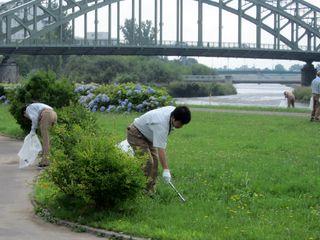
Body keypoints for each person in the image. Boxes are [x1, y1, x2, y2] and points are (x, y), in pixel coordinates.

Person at [126, 105, 191, 193]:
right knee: (147, 162)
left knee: (155, 162)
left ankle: (150, 191)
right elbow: (161, 150)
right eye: (181, 123)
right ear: (174, 119)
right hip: (136, 134)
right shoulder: (161, 125)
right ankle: (140, 190)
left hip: (149, 135)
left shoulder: (174, 111)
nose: (181, 126)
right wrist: (166, 170)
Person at [22, 103, 57, 167]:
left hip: (46, 114)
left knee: (45, 140)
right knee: (50, 139)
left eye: (26, 116)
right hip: (54, 114)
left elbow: (34, 118)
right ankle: (52, 159)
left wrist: (32, 131)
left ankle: (45, 162)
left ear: (24, 112)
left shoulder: (28, 109)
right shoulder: (34, 107)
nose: (27, 117)